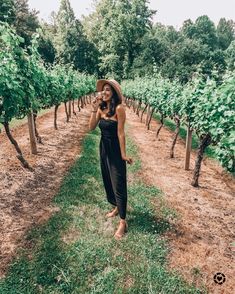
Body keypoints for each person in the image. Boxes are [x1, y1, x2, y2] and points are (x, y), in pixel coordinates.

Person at [89, 79, 133, 240]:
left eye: (108, 90)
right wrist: (94, 109)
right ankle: (116, 207)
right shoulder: (101, 109)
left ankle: (123, 221)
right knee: (108, 179)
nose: (104, 92)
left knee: (119, 182)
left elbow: (121, 133)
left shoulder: (119, 109)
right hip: (103, 149)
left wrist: (123, 154)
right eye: (103, 90)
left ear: (113, 93)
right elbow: (91, 127)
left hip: (115, 150)